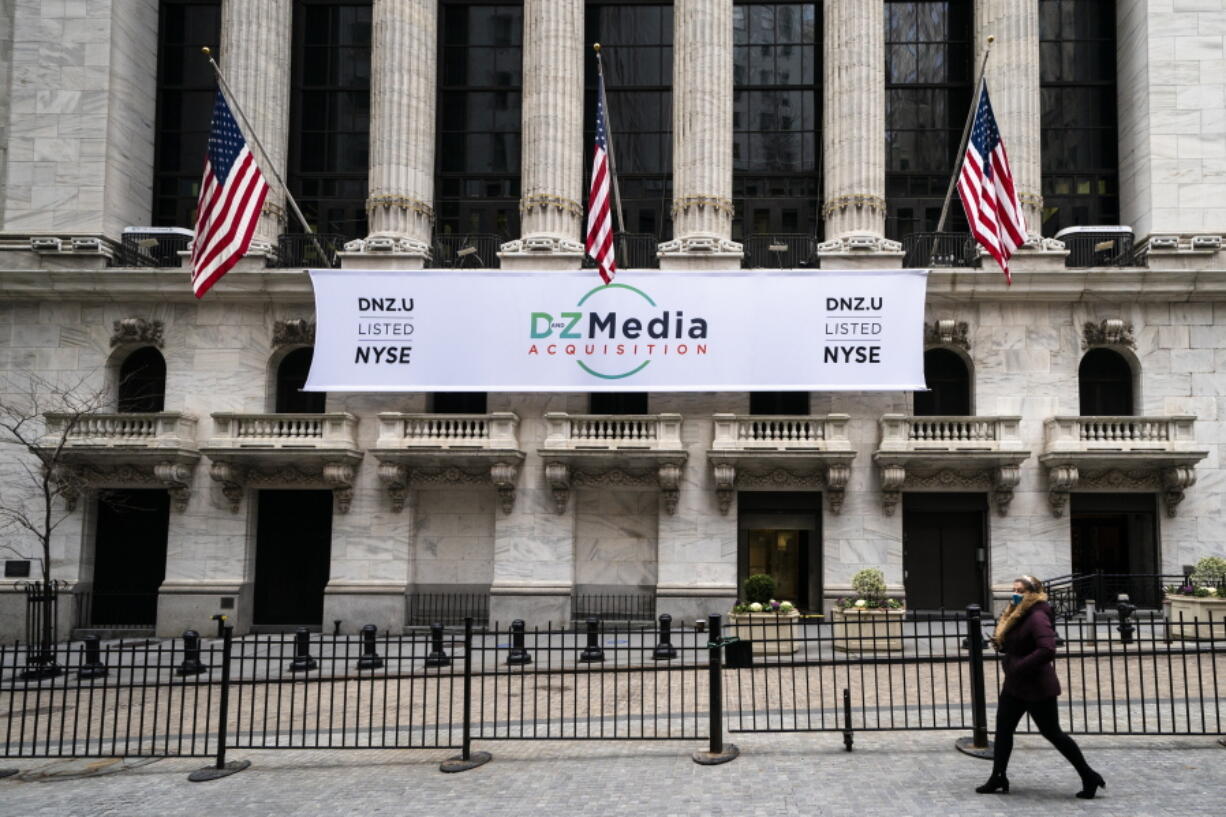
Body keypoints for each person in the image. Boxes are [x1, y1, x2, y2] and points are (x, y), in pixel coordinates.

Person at [975, 574, 1106, 799]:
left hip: (1036, 687)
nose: (1015, 595)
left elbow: (1047, 649)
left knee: (1053, 733)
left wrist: (1019, 666)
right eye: (1013, 590)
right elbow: (1021, 644)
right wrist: (1004, 646)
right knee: (1004, 730)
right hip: (1015, 686)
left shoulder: (1037, 615)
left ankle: (1089, 775)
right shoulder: (1019, 613)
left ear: (1033, 593)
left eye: (1020, 591)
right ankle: (998, 776)